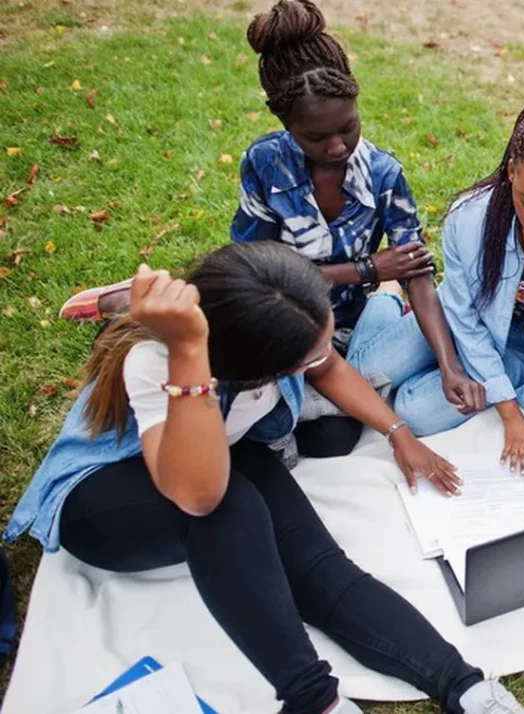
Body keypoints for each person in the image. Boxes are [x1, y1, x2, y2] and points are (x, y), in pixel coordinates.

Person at [5, 242, 524, 714]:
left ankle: (463, 686)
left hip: (222, 449)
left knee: (322, 570)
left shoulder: (273, 308)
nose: (323, 358)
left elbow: (329, 367)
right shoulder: (158, 360)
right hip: (104, 496)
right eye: (308, 356)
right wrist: (188, 354)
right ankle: (313, 699)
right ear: (253, 369)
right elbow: (198, 494)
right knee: (230, 510)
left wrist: (397, 432)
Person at [57, 0, 484, 459]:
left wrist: (449, 366)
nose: (337, 146)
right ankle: (350, 380)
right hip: (281, 330)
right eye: (316, 138)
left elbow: (416, 273)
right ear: (285, 124)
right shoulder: (265, 165)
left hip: (347, 328)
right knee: (328, 436)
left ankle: (363, 355)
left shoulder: (384, 175)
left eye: (348, 127)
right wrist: (366, 268)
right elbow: (258, 276)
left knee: (340, 428)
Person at [348, 96, 524, 474]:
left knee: (413, 410)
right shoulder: (468, 217)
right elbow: (463, 317)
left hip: (522, 351)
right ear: (511, 170)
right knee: (362, 374)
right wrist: (510, 415)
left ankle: (401, 328)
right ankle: (388, 296)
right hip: (456, 323)